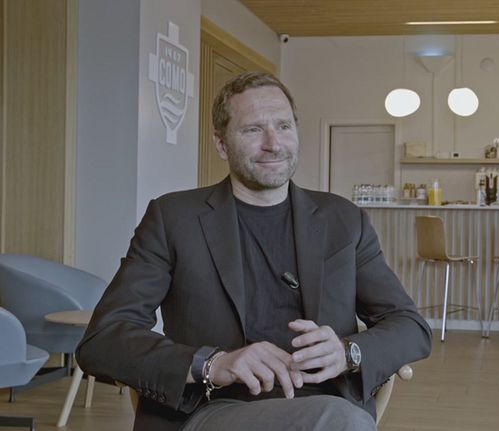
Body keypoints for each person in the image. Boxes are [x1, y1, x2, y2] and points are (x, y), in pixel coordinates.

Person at [76, 72, 432, 431]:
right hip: (213, 409)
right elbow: (103, 339)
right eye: (253, 130)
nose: (273, 144)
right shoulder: (173, 219)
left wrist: (347, 352)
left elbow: (409, 325)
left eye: (283, 126)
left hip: (327, 403)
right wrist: (212, 363)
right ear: (221, 144)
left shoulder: (344, 220)